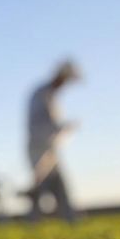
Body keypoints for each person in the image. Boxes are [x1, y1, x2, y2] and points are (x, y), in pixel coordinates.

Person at [24, 60, 80, 223]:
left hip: (50, 149)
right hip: (39, 148)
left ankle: (70, 219)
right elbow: (41, 124)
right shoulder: (42, 94)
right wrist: (64, 127)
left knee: (59, 185)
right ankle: (33, 222)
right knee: (41, 185)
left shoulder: (51, 95)